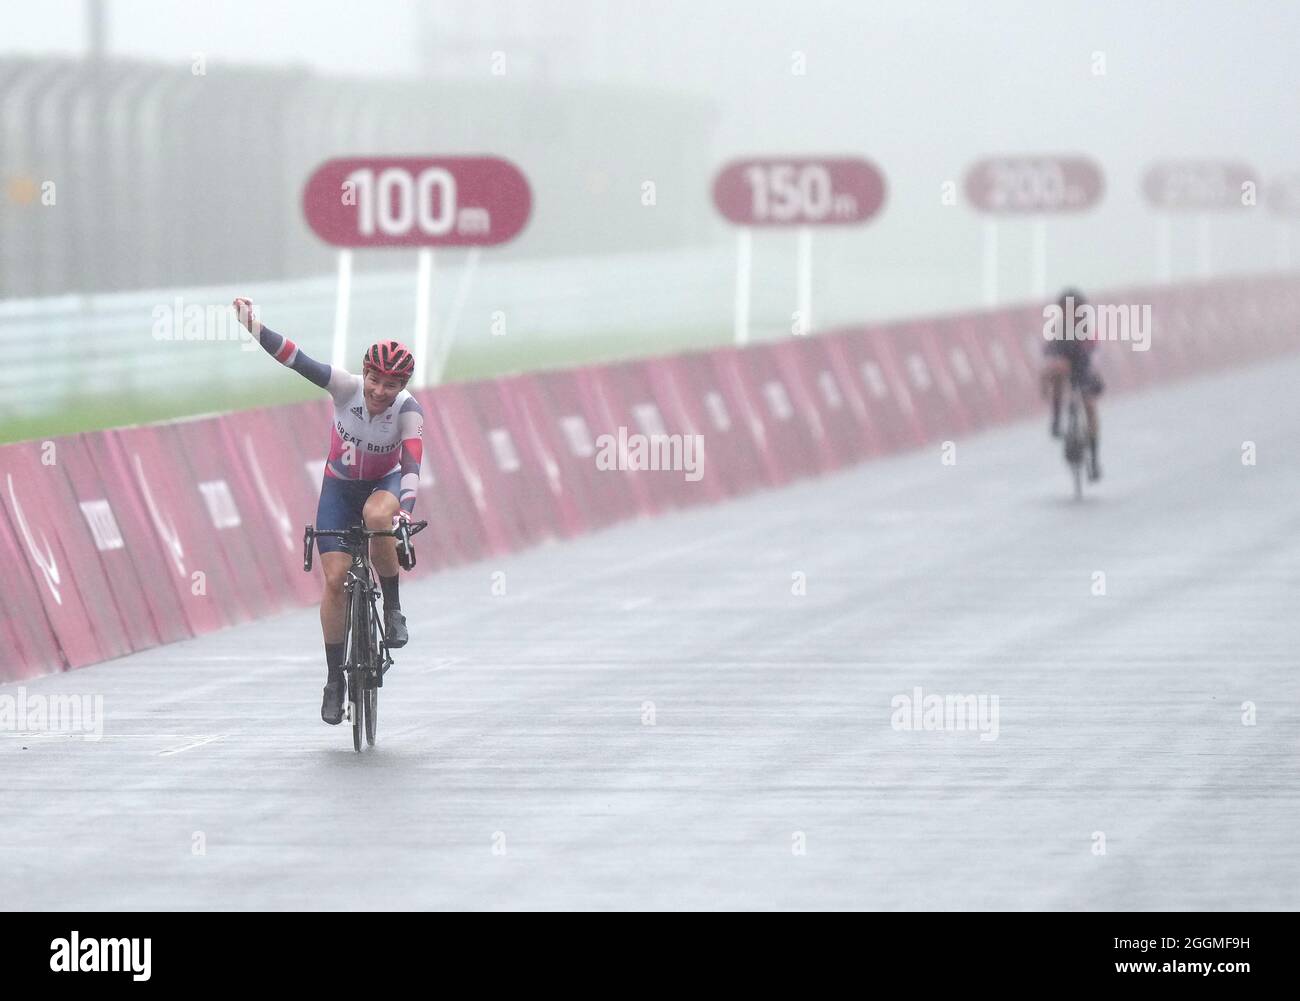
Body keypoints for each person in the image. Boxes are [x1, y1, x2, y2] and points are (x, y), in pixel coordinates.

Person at [234, 298, 425, 724]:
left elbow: (412, 465)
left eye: (390, 385)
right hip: (338, 489)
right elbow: (296, 360)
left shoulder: (409, 411)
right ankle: (335, 679)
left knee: (379, 519)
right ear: (365, 373)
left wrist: (405, 512)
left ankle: (393, 610)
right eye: (374, 380)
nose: (379, 391)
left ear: (402, 386)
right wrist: (255, 328)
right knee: (336, 581)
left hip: (383, 485)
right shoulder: (345, 387)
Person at [1041, 288, 1103, 481]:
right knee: (1057, 373)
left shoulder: (1087, 331)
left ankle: (1093, 459)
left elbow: (1093, 358)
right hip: (1066, 371)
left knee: (1091, 407)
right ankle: (1057, 420)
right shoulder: (1056, 330)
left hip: (1083, 372)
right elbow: (1050, 355)